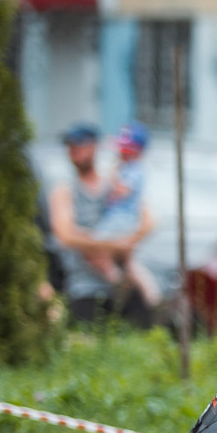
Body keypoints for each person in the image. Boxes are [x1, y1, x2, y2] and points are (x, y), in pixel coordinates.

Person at [47, 123, 153, 324]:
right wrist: (113, 245)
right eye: (70, 147)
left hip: (122, 287)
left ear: (94, 147)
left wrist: (126, 241)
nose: (73, 152)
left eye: (79, 146)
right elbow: (65, 236)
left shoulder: (113, 184)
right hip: (84, 288)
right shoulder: (64, 189)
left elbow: (149, 221)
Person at [94, 125, 162, 313]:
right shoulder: (131, 168)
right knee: (130, 262)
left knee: (94, 247)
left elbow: (122, 191)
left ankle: (118, 281)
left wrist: (112, 177)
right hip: (122, 220)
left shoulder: (134, 170)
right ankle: (151, 296)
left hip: (119, 221)